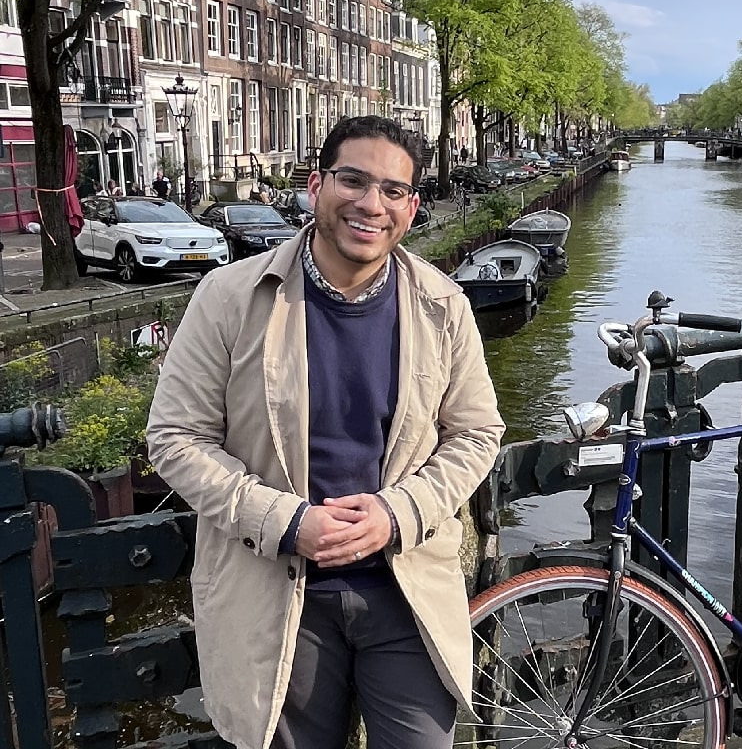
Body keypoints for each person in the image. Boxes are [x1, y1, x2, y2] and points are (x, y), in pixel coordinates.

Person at [146, 115, 505, 749]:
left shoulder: (444, 306)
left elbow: (476, 434)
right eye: (353, 180)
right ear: (316, 185)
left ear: (412, 207)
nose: (372, 204)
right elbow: (176, 437)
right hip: (279, 599)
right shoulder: (229, 297)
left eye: (393, 190)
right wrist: (285, 522)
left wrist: (397, 514)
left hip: (405, 591)